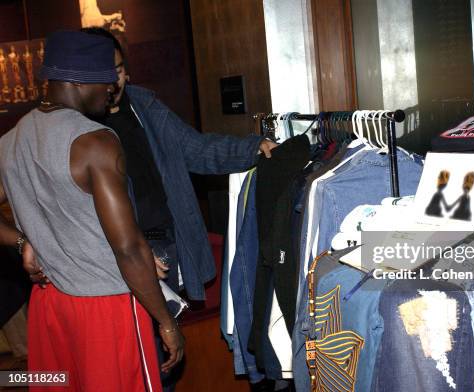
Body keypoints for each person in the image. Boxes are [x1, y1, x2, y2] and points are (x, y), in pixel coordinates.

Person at [27, 27, 277, 390]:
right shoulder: (73, 128)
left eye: (119, 69)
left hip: (163, 248)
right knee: (123, 361)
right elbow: (56, 200)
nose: (115, 81)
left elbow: (196, 149)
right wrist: (27, 240)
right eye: (106, 71)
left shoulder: (144, 105)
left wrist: (254, 149)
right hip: (114, 259)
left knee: (159, 360)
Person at [0, 30, 181, 391]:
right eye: (107, 83)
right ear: (83, 82)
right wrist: (165, 320)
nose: (111, 92)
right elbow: (127, 247)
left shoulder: (10, 141)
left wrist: (24, 242)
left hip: (50, 305)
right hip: (106, 307)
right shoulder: (95, 141)